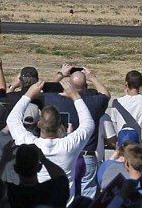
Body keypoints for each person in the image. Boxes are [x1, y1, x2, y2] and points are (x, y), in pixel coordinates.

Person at [6, 77, 94, 194]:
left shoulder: (29, 144)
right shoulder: (69, 145)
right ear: (59, 126)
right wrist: (75, 95)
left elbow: (12, 119)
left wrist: (28, 94)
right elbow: (88, 123)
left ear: (39, 124)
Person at [49, 64, 111, 198]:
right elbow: (106, 94)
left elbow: (44, 90)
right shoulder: (94, 103)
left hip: (64, 152)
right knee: (87, 195)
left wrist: (60, 74)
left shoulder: (56, 100)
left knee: (63, 192)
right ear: (86, 87)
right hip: (86, 154)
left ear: (68, 86)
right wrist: (93, 77)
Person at [0, 143, 70, 208]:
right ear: (39, 167)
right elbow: (62, 178)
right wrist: (44, 159)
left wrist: (3, 161)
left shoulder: (8, 193)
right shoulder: (53, 192)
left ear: (15, 168)